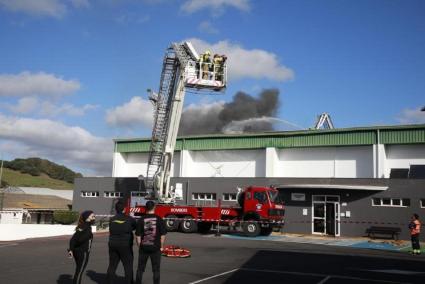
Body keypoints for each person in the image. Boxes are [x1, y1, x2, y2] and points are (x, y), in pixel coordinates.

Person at [135, 201, 167, 284]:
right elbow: (163, 235)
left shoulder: (141, 220)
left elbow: (137, 236)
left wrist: (140, 246)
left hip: (143, 248)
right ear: (154, 207)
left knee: (140, 269)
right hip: (156, 248)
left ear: (146, 208)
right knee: (156, 270)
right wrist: (161, 246)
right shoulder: (159, 219)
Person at [106, 201, 137, 284]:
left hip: (112, 244)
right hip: (125, 245)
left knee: (112, 265)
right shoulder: (130, 219)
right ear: (124, 209)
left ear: (116, 209)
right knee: (128, 266)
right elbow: (135, 227)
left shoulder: (112, 219)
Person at [68, 210, 95, 284]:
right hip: (83, 253)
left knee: (78, 270)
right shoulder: (88, 228)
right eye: (92, 216)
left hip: (76, 252)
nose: (94, 218)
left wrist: (71, 250)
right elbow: (80, 240)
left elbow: (73, 239)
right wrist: (88, 234)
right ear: (87, 218)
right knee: (79, 272)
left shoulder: (80, 226)